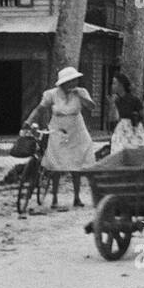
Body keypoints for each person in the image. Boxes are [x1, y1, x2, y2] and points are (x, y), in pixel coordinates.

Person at [22, 65, 96, 209]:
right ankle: (54, 198)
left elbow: (91, 107)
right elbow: (40, 108)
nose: (72, 84)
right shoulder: (52, 94)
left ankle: (76, 197)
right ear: (62, 83)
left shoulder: (81, 92)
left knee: (77, 163)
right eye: (70, 82)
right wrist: (29, 121)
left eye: (74, 81)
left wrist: (81, 96)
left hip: (77, 129)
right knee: (56, 164)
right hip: (58, 128)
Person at [109, 71, 144, 152]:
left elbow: (143, 115)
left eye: (114, 83)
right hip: (122, 128)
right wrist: (112, 104)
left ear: (121, 85)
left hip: (134, 127)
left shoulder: (133, 99)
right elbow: (113, 118)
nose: (112, 86)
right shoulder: (117, 100)